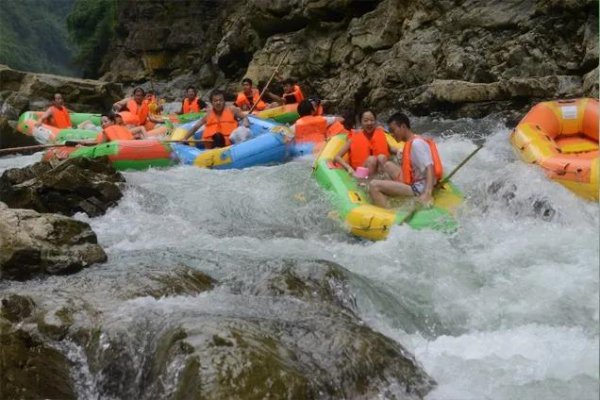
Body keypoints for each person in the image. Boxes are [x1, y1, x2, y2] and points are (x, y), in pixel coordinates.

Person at [368, 112, 443, 208]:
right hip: (414, 180)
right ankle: (389, 193)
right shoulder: (412, 141)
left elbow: (430, 167)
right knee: (388, 165)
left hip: (419, 188)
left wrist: (427, 193)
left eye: (393, 130)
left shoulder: (417, 144)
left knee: (374, 185)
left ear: (403, 127)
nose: (392, 134)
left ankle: (390, 215)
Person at [183, 89, 249, 148]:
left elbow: (244, 117)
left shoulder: (232, 109)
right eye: (215, 101)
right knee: (217, 137)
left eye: (220, 100)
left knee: (219, 137)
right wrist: (185, 138)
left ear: (224, 101)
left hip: (229, 144)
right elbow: (196, 127)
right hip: (211, 145)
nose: (218, 102)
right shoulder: (208, 114)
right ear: (212, 103)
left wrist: (245, 124)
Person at [334, 110, 390, 177]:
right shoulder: (354, 137)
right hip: (361, 173)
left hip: (378, 172)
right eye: (366, 121)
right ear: (361, 123)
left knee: (382, 157)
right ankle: (370, 183)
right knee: (371, 160)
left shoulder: (380, 133)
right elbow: (337, 157)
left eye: (372, 120)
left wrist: (399, 151)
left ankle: (383, 180)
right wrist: (349, 168)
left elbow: (390, 149)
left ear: (375, 121)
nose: (369, 123)